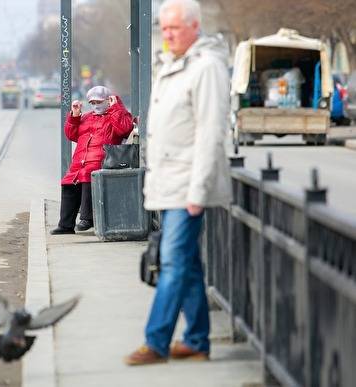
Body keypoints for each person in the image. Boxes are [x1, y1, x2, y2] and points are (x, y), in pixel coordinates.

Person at [125, 0, 232, 365]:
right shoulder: (173, 65)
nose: (167, 34)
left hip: (188, 186)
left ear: (194, 27)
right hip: (169, 184)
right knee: (187, 264)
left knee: (171, 262)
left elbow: (210, 133)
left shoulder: (206, 67)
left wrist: (198, 192)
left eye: (174, 28)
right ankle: (197, 341)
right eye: (164, 28)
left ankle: (155, 342)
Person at [50, 86, 133, 235]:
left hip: (103, 159)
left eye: (99, 101)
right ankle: (65, 225)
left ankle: (87, 218)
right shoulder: (87, 117)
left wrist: (115, 109)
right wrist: (74, 116)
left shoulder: (119, 115)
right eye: (92, 102)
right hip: (81, 159)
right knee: (69, 181)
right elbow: (72, 135)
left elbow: (124, 129)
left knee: (89, 173)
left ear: (109, 100)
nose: (95, 105)